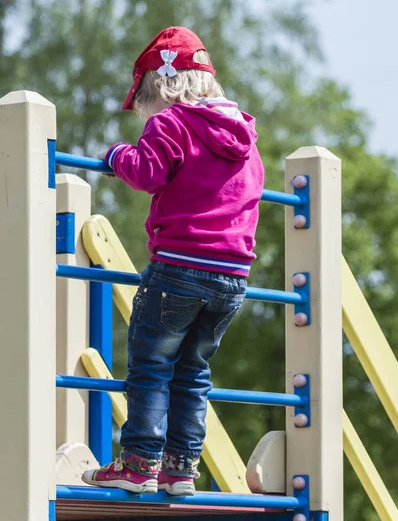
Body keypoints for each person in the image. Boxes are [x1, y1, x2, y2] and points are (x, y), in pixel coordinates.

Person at [82, 26, 265, 495]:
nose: (148, 113)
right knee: (194, 371)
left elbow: (146, 171)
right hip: (232, 275)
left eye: (145, 102)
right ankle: (180, 467)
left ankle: (140, 461)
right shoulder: (245, 137)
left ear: (162, 86)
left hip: (180, 267)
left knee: (150, 362)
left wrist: (118, 154)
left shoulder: (172, 123)